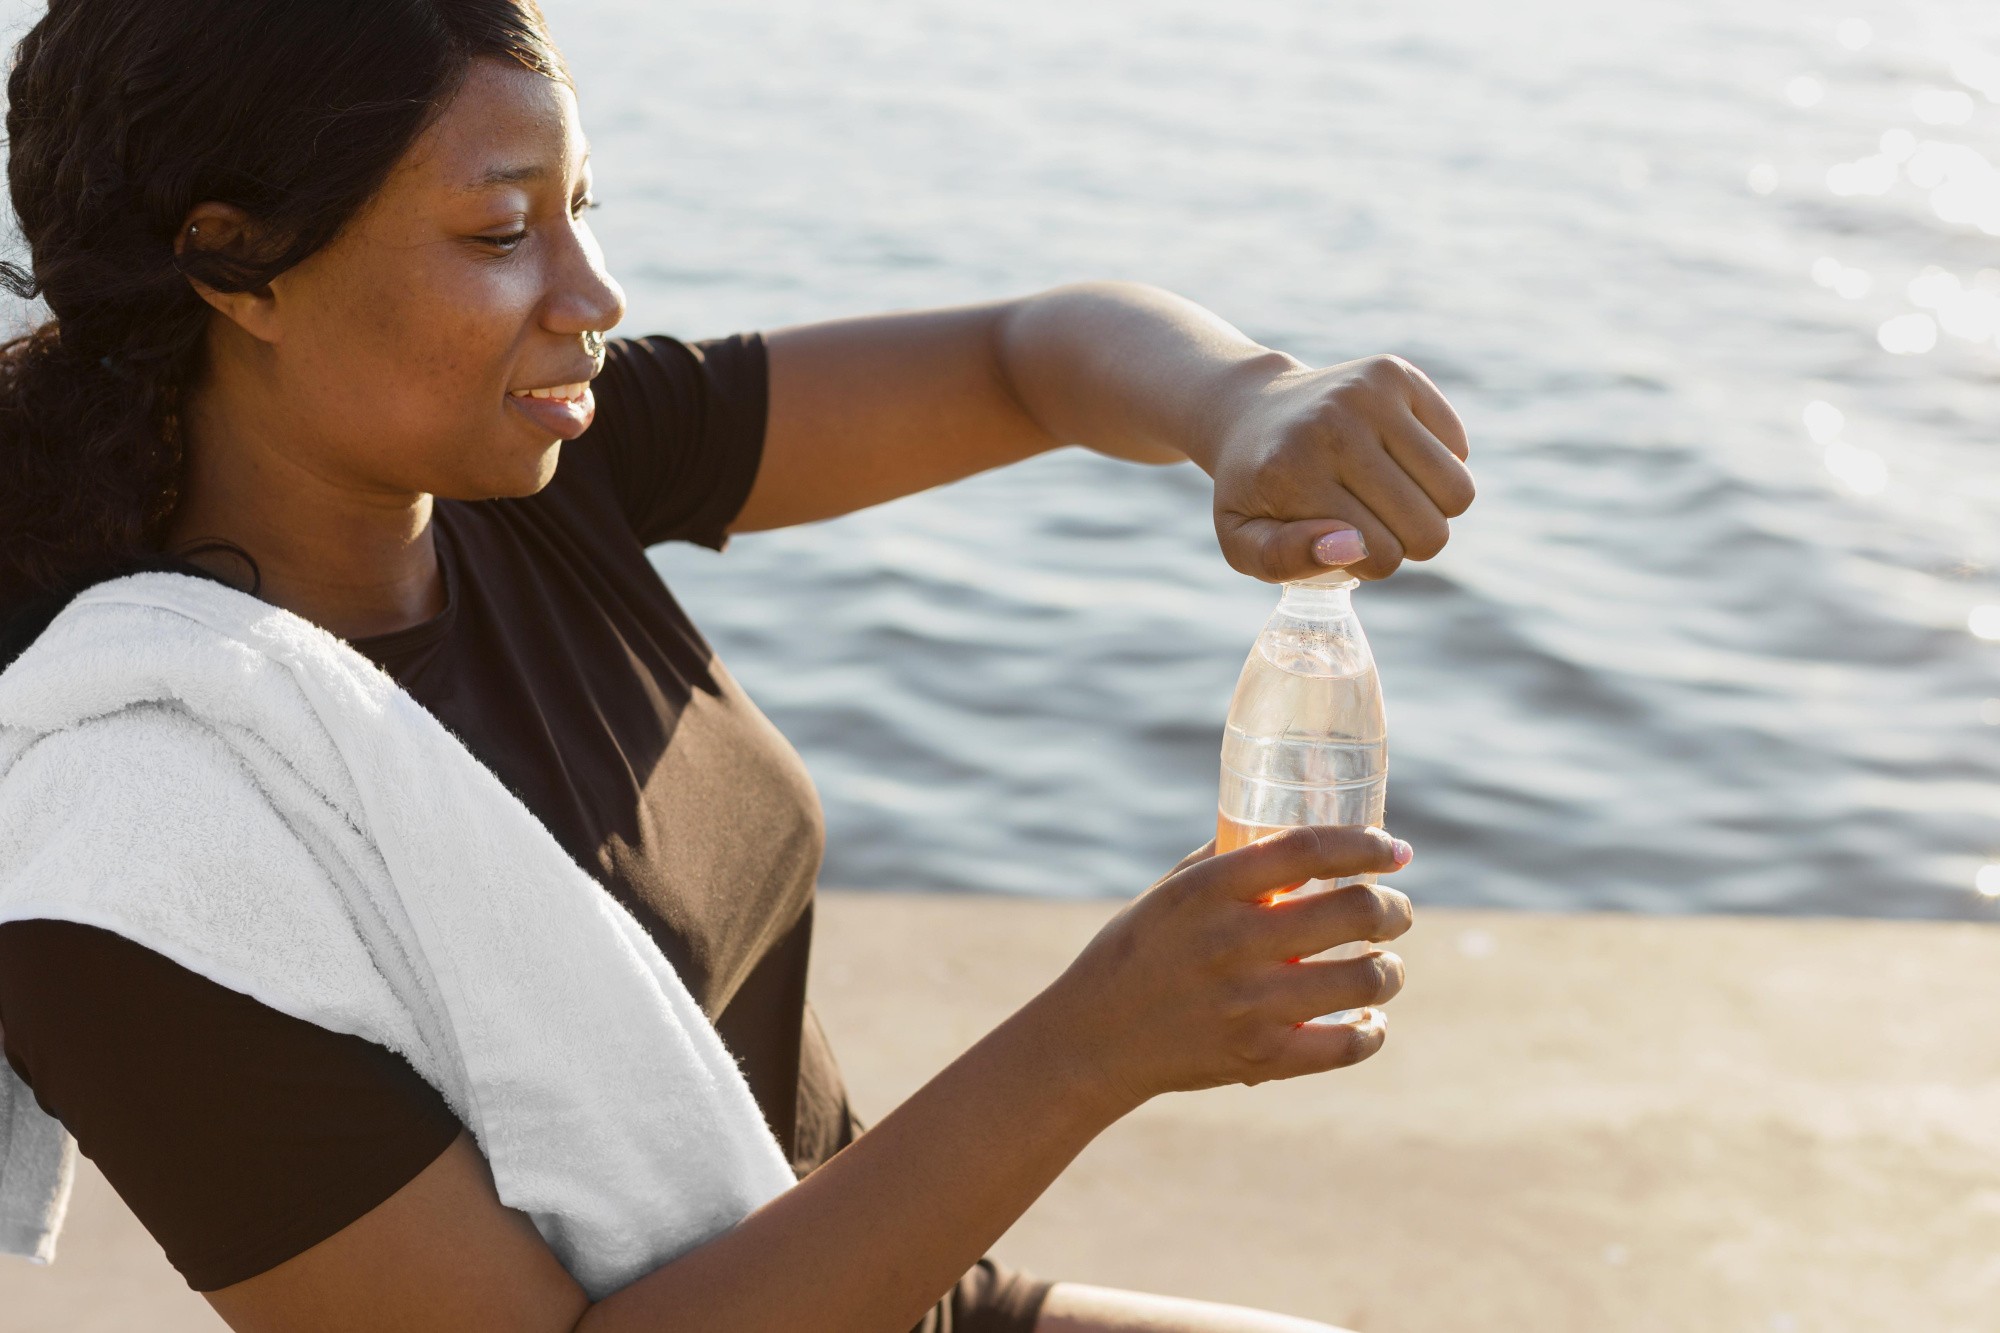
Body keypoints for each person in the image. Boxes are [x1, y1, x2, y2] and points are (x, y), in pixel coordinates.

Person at [0, 2, 1474, 1330]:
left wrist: (1252, 400)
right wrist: (1094, 1042)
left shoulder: (539, 463)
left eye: (583, 212)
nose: (596, 293)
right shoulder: (132, 854)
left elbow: (1032, 355)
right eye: (502, 233)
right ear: (235, 264)